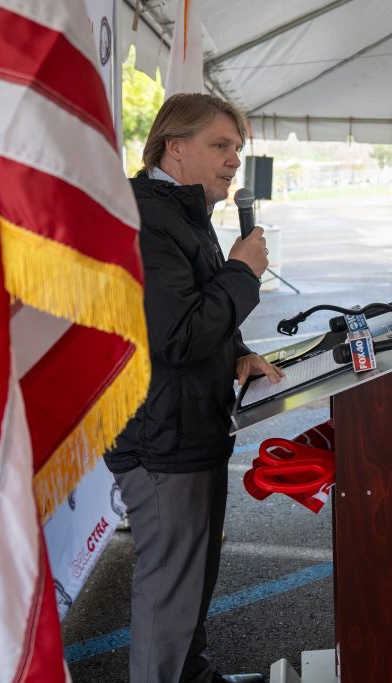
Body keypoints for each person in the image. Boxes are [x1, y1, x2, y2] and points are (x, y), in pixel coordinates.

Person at [105, 93, 277, 683]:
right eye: (221, 146)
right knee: (170, 593)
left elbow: (196, 316)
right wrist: (243, 272)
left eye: (237, 148)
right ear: (174, 149)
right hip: (160, 438)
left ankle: (191, 676)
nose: (234, 161)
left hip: (190, 426)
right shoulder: (147, 219)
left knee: (192, 580)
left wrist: (240, 353)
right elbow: (176, 336)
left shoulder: (182, 213)